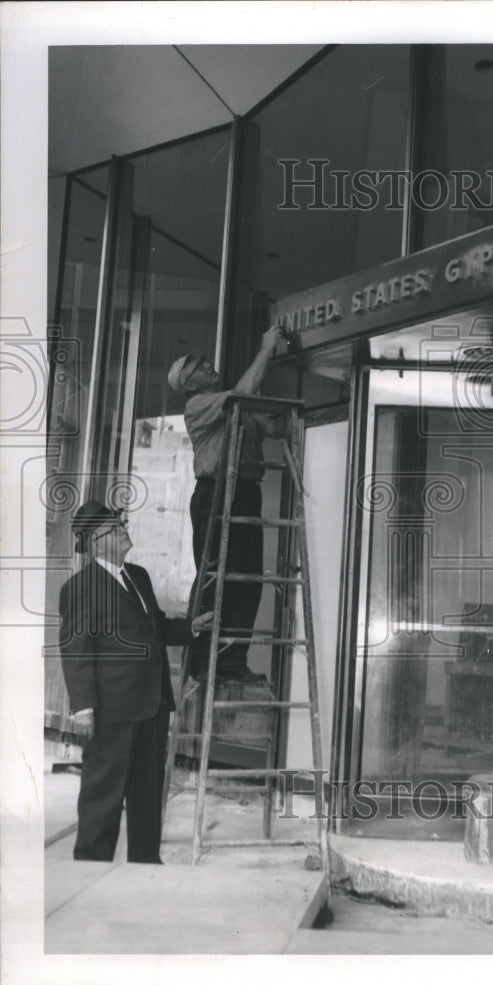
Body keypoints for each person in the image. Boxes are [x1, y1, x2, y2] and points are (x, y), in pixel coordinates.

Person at [58, 500, 212, 863]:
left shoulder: (137, 576)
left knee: (147, 795)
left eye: (121, 522)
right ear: (96, 542)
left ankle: (146, 864)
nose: (124, 529)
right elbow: (76, 650)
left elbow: (154, 627)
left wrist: (190, 627)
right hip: (111, 711)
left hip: (152, 706)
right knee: (103, 795)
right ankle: (91, 865)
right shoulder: (81, 587)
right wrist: (83, 707)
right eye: (115, 527)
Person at [167, 324, 289, 683]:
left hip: (245, 492)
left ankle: (232, 660)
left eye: (205, 361)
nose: (207, 366)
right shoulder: (200, 405)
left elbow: (275, 428)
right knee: (218, 577)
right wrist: (267, 349)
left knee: (247, 580)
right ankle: (203, 660)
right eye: (199, 367)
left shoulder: (234, 402)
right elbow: (244, 393)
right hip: (216, 493)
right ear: (190, 385)